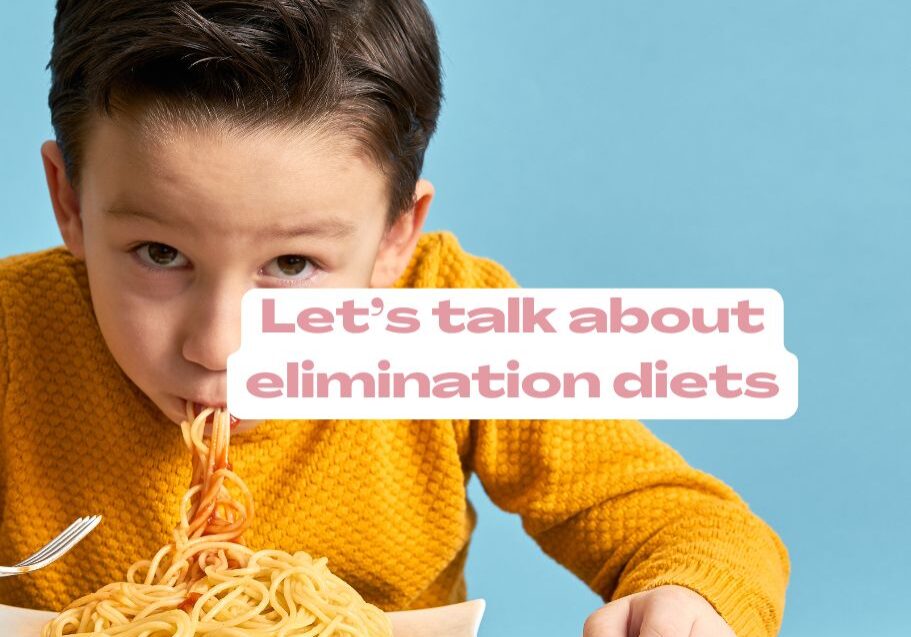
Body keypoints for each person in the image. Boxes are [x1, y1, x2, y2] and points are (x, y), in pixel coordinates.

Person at [0, 1, 789, 635]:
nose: (219, 346)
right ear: (69, 199)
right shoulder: (14, 328)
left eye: (292, 265)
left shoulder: (446, 318)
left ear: (392, 239)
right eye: (159, 254)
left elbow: (688, 523)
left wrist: (691, 600)